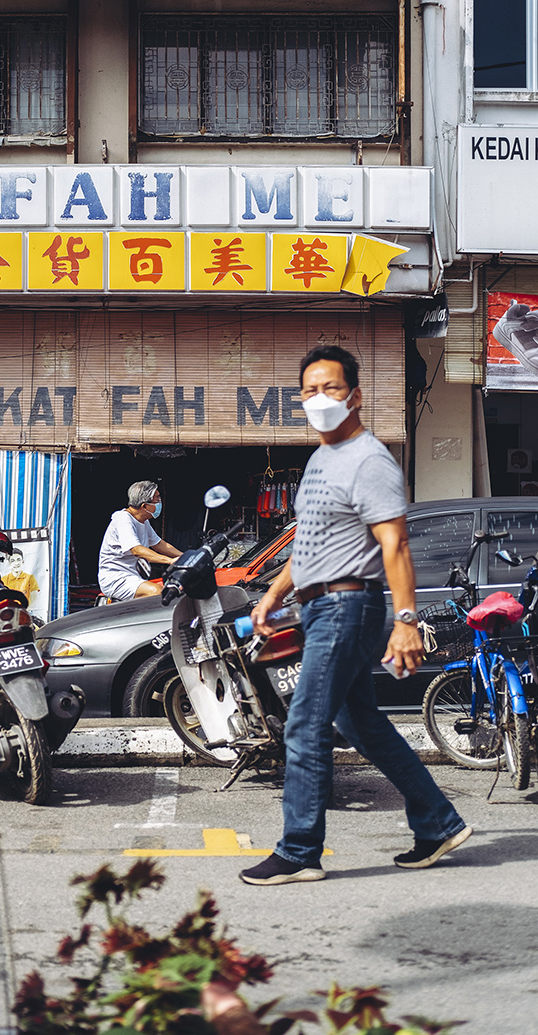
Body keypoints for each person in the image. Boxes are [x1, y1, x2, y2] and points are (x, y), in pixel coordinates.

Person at [240, 345, 471, 886]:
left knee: (305, 723)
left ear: (356, 396)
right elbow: (309, 543)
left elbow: (396, 544)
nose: (319, 399)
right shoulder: (321, 460)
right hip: (318, 603)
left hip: (347, 606)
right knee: (358, 722)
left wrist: (406, 621)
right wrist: (273, 595)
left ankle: (299, 851)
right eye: (310, 391)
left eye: (332, 388)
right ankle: (438, 823)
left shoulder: (370, 460)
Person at [98, 480, 181, 601]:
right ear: (144, 506)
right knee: (157, 592)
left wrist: (185, 556)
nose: (160, 503)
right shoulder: (123, 519)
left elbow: (159, 544)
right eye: (157, 499)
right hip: (116, 578)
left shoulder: (143, 521)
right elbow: (136, 550)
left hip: (134, 576)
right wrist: (169, 561)